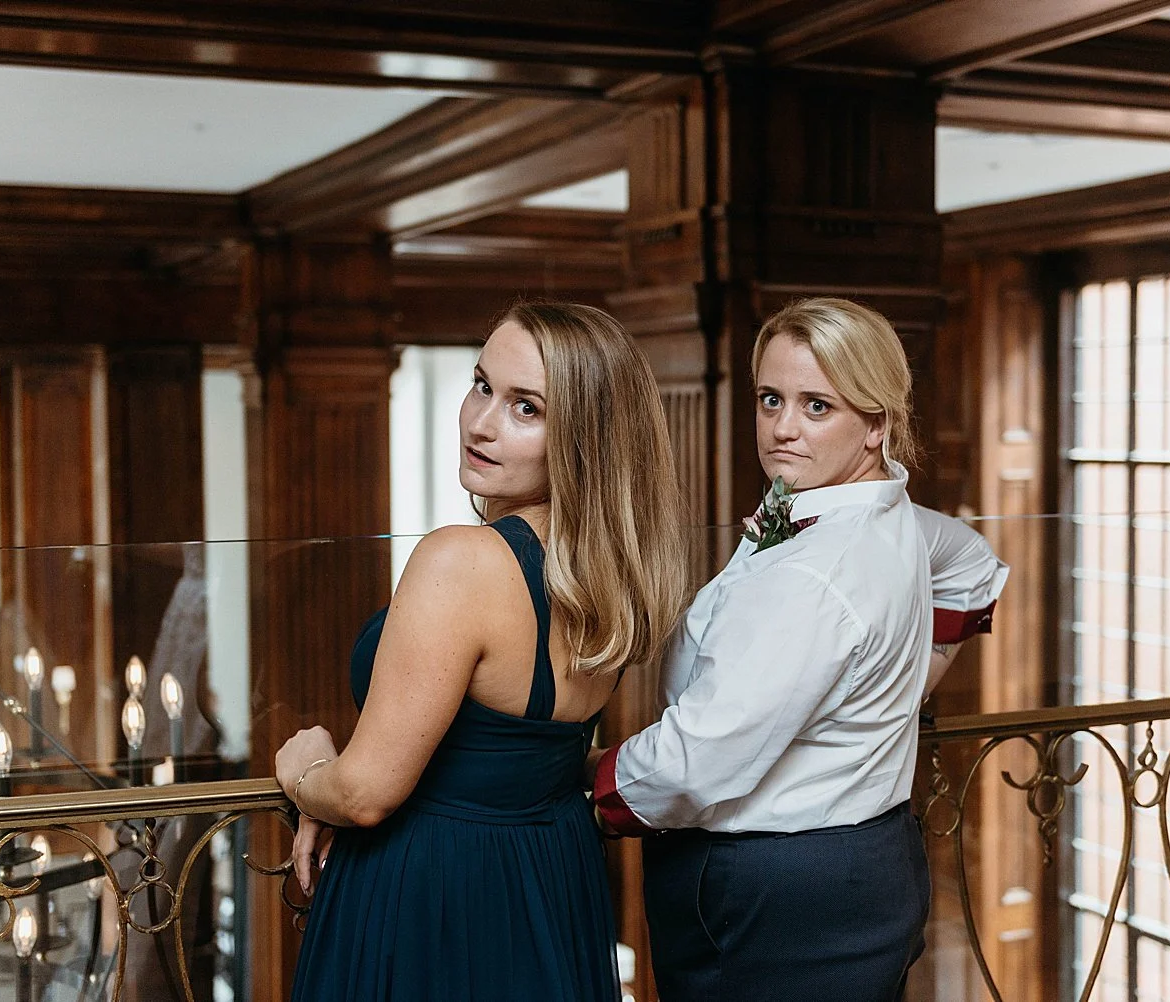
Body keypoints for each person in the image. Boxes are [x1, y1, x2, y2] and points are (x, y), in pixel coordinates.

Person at [592, 297, 1008, 1002]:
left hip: (775, 901)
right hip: (869, 865)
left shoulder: (815, 575)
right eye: (771, 398)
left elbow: (696, 762)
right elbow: (971, 566)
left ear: (876, 423)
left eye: (818, 406)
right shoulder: (889, 513)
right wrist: (898, 689)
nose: (783, 428)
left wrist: (579, 788)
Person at [274, 302, 690, 1002]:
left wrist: (308, 768)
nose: (480, 421)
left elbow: (366, 793)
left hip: (432, 889)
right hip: (549, 878)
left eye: (526, 408)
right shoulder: (610, 578)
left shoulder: (461, 560)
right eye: (481, 385)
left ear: (585, 440)